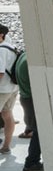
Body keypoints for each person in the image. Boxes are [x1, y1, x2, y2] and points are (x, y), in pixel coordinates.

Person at [0, 24, 19, 156]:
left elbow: (0, 73)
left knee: (6, 115)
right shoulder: (12, 47)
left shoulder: (0, 50)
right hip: (13, 87)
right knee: (8, 115)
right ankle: (6, 146)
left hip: (2, 89)